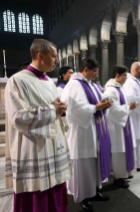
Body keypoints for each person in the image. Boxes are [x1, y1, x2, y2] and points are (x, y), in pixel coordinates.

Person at [5, 39, 72, 212]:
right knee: (37, 197)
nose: (57, 61)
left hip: (53, 146)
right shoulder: (17, 81)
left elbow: (54, 108)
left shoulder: (49, 81)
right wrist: (52, 109)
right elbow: (18, 117)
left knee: (55, 190)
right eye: (54, 56)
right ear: (40, 55)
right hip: (33, 147)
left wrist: (60, 110)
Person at [61, 58, 112, 211]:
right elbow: (73, 110)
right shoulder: (75, 84)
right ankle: (82, 196)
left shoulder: (89, 84)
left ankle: (94, 190)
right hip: (81, 132)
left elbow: (94, 104)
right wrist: (96, 107)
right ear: (86, 70)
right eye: (95, 71)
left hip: (92, 129)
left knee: (93, 163)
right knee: (83, 167)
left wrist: (104, 104)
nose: (97, 74)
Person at [104, 65, 137, 188]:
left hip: (122, 125)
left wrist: (128, 106)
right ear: (117, 76)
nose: (126, 78)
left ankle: (122, 176)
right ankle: (118, 178)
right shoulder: (111, 90)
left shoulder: (118, 88)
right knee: (119, 153)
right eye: (124, 76)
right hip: (116, 127)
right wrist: (129, 107)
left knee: (123, 152)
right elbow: (114, 110)